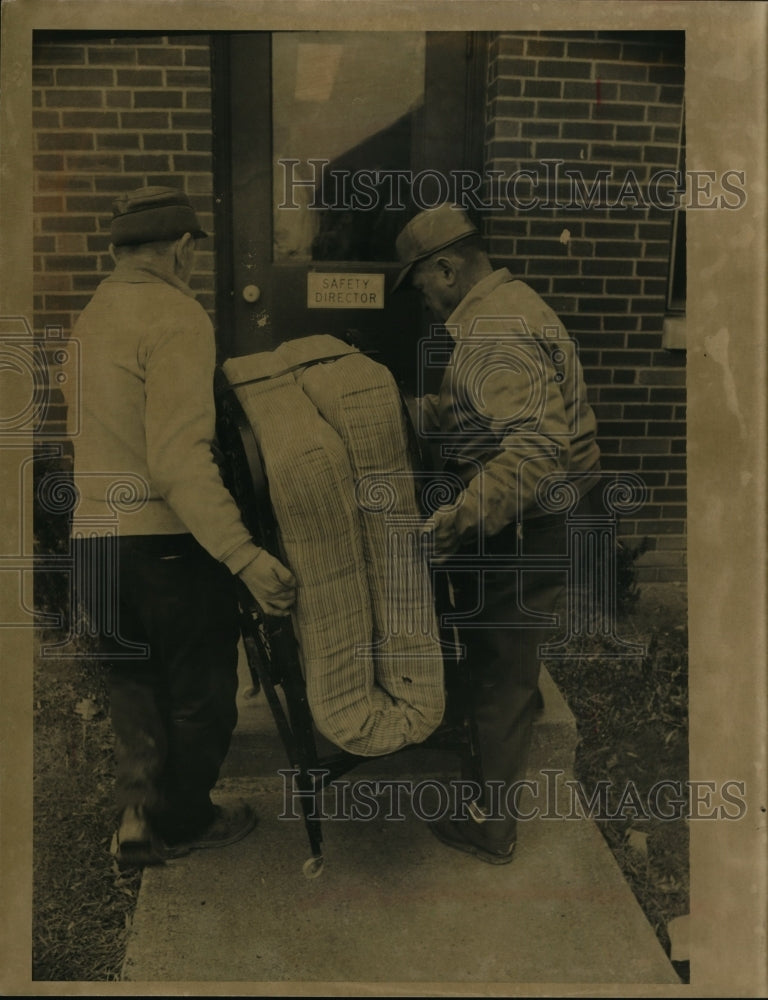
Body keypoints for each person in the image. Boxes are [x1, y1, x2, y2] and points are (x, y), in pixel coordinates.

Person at [69, 185, 296, 869]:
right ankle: (186, 817)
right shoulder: (177, 316)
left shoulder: (90, 317)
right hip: (164, 541)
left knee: (133, 680)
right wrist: (244, 555)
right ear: (181, 250)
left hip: (94, 540)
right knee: (202, 690)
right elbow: (178, 460)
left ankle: (138, 810)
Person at [393, 203, 602, 863]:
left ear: (446, 269)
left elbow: (535, 451)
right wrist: (397, 411)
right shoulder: (504, 307)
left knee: (500, 668)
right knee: (502, 657)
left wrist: (457, 520)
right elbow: (480, 413)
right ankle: (494, 749)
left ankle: (491, 825)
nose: (424, 301)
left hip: (524, 524)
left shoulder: (493, 331)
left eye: (420, 284)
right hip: (532, 515)